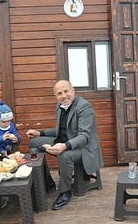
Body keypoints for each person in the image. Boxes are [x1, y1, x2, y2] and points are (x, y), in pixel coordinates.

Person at [26, 80, 104, 210]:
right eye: (59, 93)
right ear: (55, 96)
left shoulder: (85, 107)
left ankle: (65, 192)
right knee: (34, 142)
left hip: (84, 148)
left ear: (73, 90)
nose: (63, 96)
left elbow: (84, 137)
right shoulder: (60, 107)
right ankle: (46, 180)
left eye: (66, 91)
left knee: (64, 155)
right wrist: (39, 133)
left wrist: (64, 146)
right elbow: (59, 131)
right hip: (65, 141)